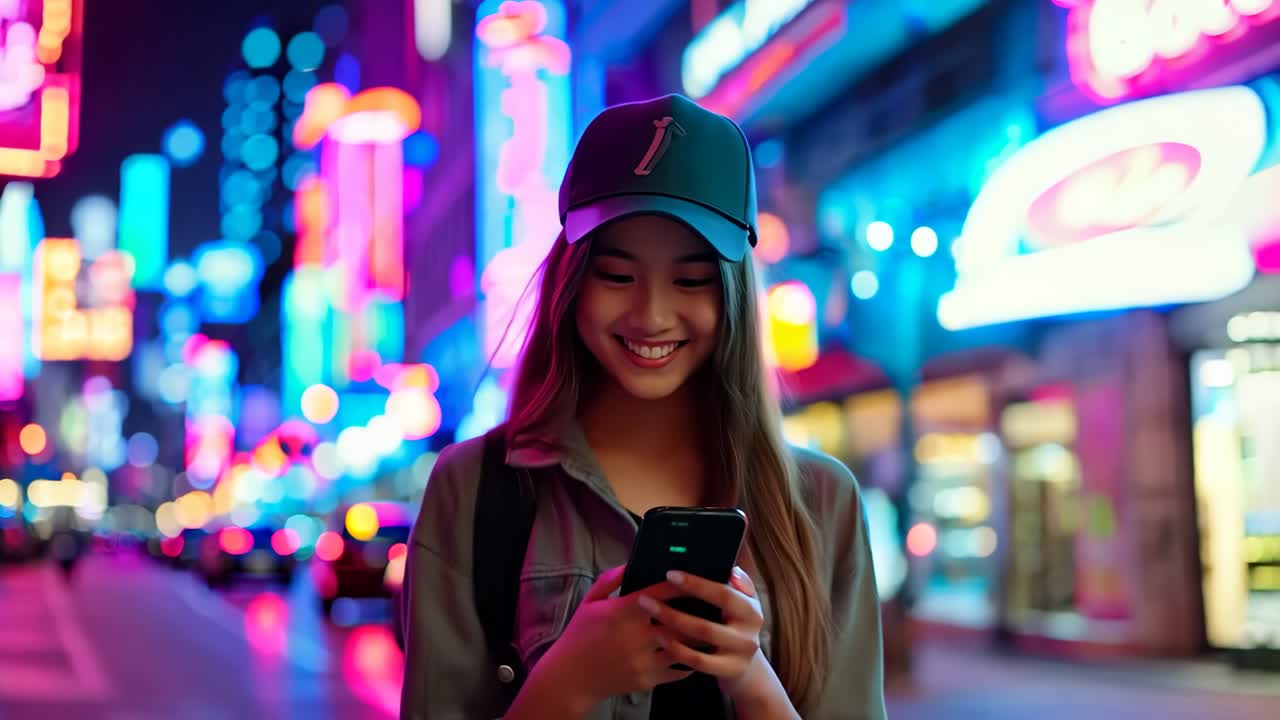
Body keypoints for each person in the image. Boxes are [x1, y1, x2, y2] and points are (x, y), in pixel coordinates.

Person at [400, 94, 886, 719]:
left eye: (690, 280)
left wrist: (752, 678)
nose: (651, 315)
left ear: (733, 293)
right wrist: (571, 679)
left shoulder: (822, 502)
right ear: (571, 285)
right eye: (617, 275)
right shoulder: (473, 490)